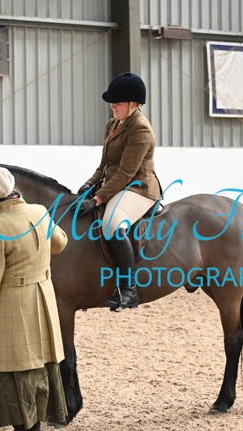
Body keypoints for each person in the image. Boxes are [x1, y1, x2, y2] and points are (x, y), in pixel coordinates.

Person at [0, 166, 68, 431]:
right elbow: (60, 243)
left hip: (13, 301)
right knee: (40, 362)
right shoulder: (40, 211)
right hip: (43, 295)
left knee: (16, 364)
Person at [74, 72, 162, 311]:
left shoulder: (141, 129)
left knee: (112, 224)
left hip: (138, 188)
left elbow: (125, 173)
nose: (112, 106)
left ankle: (129, 290)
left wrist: (97, 199)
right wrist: (88, 185)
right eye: (111, 102)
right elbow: (104, 165)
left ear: (134, 104)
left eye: (118, 103)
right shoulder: (113, 124)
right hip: (115, 183)